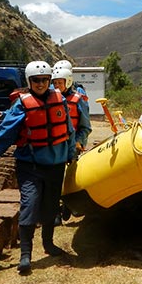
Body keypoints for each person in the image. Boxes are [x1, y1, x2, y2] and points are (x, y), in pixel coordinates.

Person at [0, 60, 76, 274]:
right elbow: (2, 136)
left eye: (45, 80)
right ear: (29, 81)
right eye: (36, 80)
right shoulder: (21, 105)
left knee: (50, 206)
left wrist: (71, 153)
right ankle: (25, 255)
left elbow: (69, 130)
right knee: (30, 205)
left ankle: (48, 244)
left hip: (55, 165)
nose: (41, 84)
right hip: (30, 166)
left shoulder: (59, 100)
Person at [52, 66, 92, 223]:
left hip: (72, 146)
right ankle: (55, 212)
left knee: (70, 178)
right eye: (54, 83)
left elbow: (85, 127)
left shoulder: (78, 100)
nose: (57, 86)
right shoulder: (49, 99)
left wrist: (78, 142)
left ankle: (68, 205)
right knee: (54, 179)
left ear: (67, 82)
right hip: (54, 146)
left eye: (60, 83)